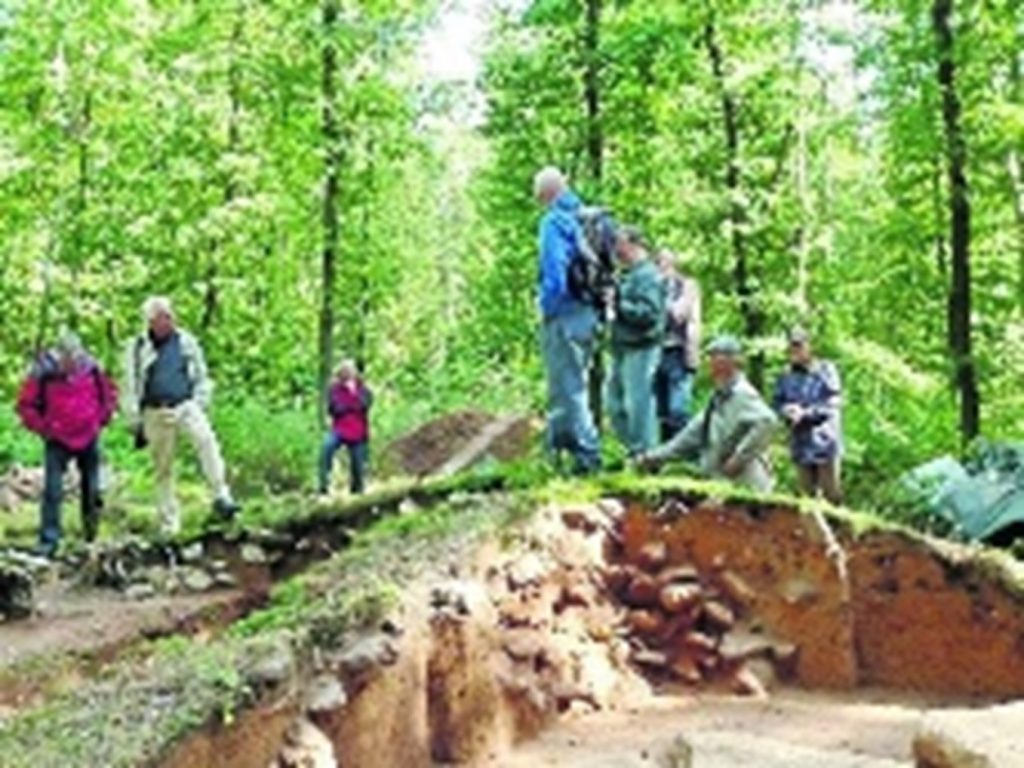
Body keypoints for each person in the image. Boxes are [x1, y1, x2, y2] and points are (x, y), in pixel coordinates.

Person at [123, 297, 239, 535]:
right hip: (155, 410)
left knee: (206, 442)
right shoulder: (137, 347)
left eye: (169, 315)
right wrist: (135, 421)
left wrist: (200, 402)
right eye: (162, 317)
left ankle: (221, 495)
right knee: (163, 467)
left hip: (186, 404)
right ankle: (169, 523)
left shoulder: (186, 341)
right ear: (151, 321)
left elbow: (201, 374)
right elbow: (131, 384)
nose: (168, 320)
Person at [16, 331, 118, 556]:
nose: (72, 363)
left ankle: (91, 535)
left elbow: (109, 394)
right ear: (59, 355)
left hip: (88, 434)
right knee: (53, 491)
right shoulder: (43, 372)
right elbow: (26, 405)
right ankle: (49, 541)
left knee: (91, 488)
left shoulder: (91, 368)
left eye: (75, 356)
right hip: (57, 438)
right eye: (67, 358)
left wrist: (101, 418)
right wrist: (43, 427)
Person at [637, 335, 778, 492]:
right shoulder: (718, 399)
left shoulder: (742, 394)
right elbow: (686, 440)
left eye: (715, 357)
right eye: (711, 357)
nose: (710, 363)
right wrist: (651, 457)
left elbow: (768, 421)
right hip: (724, 487)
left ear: (729, 362)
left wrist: (738, 459)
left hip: (748, 487)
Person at [534, 166, 601, 474]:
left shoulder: (554, 221)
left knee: (569, 387)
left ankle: (588, 457)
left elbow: (555, 274)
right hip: (588, 312)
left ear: (544, 194)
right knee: (571, 384)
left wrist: (547, 308)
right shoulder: (585, 216)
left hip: (564, 313)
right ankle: (559, 453)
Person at [606, 226, 666, 456]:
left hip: (641, 347)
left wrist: (619, 304)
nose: (614, 247)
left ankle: (646, 455)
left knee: (638, 405)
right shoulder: (627, 275)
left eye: (618, 242)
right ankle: (633, 451)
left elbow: (650, 315)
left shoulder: (648, 275)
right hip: (621, 347)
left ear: (632, 244)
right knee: (614, 405)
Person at [773, 327, 843, 504]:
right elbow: (777, 402)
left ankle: (840, 530)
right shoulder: (785, 376)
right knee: (806, 499)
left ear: (809, 347)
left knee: (832, 496)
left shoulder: (826, 370)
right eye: (791, 346)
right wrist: (786, 411)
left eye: (798, 345)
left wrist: (805, 414)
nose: (794, 350)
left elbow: (832, 404)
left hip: (825, 442)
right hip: (800, 444)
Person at [654, 250, 702, 441]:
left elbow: (678, 314)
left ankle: (684, 454)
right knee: (661, 409)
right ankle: (664, 456)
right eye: (658, 263)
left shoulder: (687, 285)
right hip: (656, 352)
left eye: (664, 263)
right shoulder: (655, 286)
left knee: (678, 408)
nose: (661, 267)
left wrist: (655, 298)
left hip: (680, 352)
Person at [320, 360, 373, 495]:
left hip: (358, 431)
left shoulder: (363, 389)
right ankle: (324, 485)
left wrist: (350, 400)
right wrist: (352, 403)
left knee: (358, 464)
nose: (348, 374)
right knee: (327, 447)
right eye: (345, 371)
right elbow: (335, 409)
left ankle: (357, 490)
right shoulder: (334, 389)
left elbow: (365, 405)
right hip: (340, 429)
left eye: (350, 371)